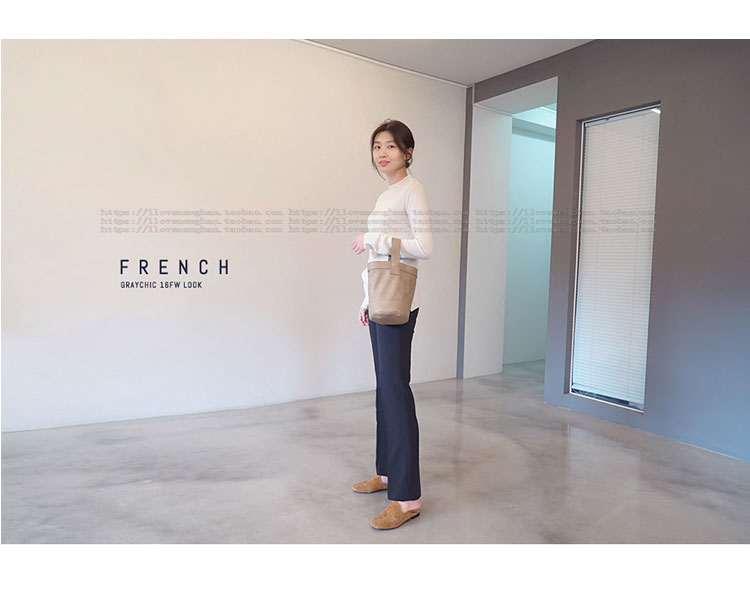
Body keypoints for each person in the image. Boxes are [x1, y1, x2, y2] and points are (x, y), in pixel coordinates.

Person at [349, 119, 433, 530]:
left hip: (399, 306)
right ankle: (386, 474)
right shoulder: (386, 194)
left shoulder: (412, 189)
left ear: (407, 152)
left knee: (396, 393)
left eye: (390, 146)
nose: (381, 153)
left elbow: (424, 247)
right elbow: (379, 263)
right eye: (377, 146)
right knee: (384, 390)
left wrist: (373, 239)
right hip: (381, 302)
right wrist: (367, 300)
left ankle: (408, 498)